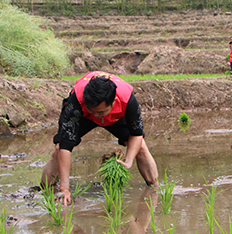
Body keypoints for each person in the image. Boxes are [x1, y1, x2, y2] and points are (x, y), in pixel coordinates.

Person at [41, 71, 159, 205]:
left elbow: (136, 134)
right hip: (83, 115)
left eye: (100, 111)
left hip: (115, 117)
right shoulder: (77, 101)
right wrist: (65, 188)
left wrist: (129, 159)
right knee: (58, 149)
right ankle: (45, 192)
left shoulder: (127, 99)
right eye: (93, 110)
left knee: (141, 147)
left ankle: (155, 188)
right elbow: (65, 146)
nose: (96, 115)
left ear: (113, 101)